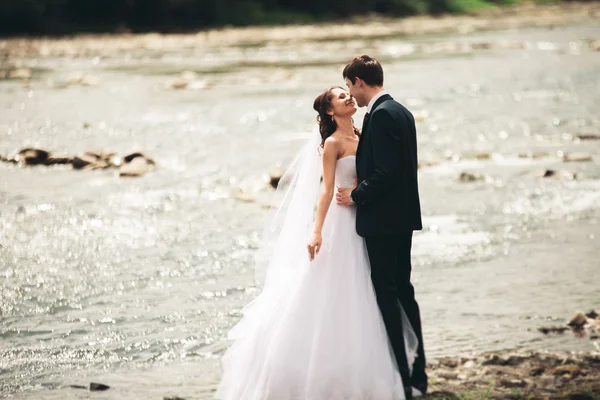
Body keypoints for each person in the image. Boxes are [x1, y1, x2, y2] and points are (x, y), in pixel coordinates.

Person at [215, 85, 418, 400]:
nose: (349, 97)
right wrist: (317, 230)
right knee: (335, 288)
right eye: (340, 96)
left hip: (366, 221)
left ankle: (374, 366)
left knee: (368, 290)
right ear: (329, 111)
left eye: (348, 93)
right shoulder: (332, 144)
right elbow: (326, 190)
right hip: (341, 222)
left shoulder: (365, 135)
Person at [336, 54, 427, 397]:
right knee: (403, 292)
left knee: (390, 296)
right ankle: (415, 372)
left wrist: (357, 194)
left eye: (349, 85)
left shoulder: (384, 114)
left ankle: (404, 377)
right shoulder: (399, 110)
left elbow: (387, 172)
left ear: (359, 81)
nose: (350, 93)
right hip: (398, 220)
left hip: (385, 223)